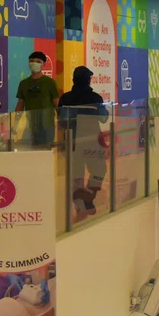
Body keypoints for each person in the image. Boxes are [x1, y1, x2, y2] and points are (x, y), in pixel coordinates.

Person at [58, 66, 110, 221]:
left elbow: (61, 121)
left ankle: (79, 205)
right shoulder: (95, 98)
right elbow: (103, 118)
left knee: (76, 175)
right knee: (99, 169)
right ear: (88, 80)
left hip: (73, 142)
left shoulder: (65, 98)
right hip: (92, 142)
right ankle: (89, 197)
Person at [15, 51, 59, 147]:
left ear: (44, 64)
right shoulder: (23, 83)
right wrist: (15, 123)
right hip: (30, 124)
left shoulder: (50, 82)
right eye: (31, 61)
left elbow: (56, 103)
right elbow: (20, 103)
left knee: (46, 151)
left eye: (38, 61)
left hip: (47, 124)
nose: (34, 63)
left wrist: (62, 121)